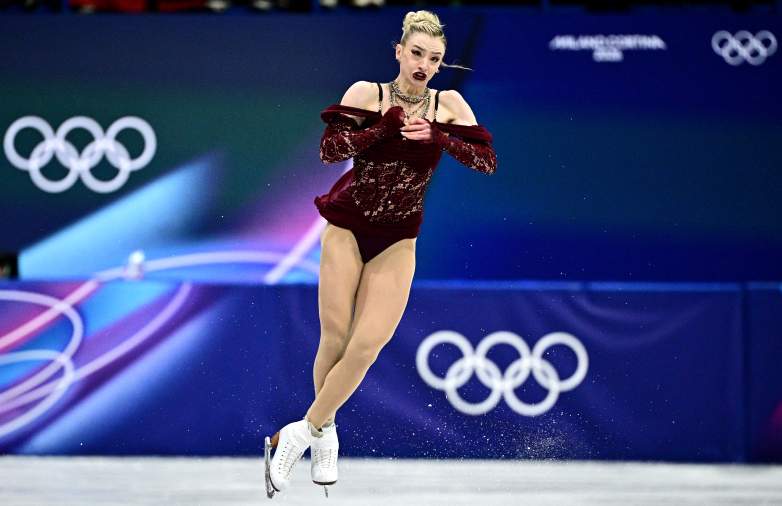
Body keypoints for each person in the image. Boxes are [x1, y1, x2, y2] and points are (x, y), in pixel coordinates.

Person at [264, 9, 497, 499]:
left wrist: (441, 138)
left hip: (398, 238)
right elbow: (330, 151)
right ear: (399, 51)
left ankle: (302, 432)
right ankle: (325, 438)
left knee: (367, 346)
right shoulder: (366, 93)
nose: (424, 64)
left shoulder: (448, 104)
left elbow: (486, 161)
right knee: (336, 336)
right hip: (347, 227)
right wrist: (378, 132)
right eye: (416, 53)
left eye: (433, 58)